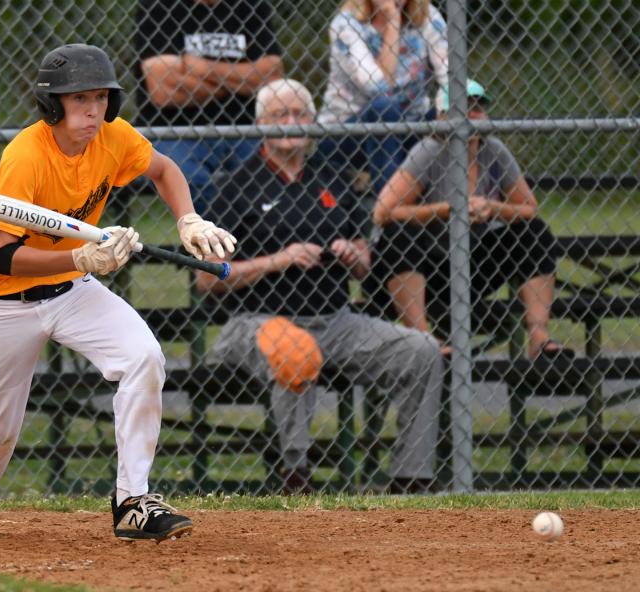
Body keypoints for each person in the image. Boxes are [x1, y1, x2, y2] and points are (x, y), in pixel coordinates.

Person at [0, 44, 237, 543]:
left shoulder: (113, 138)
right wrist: (79, 257)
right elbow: (1, 256)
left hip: (71, 292)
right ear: (52, 105)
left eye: (101, 98)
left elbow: (166, 170)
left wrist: (187, 218)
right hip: (5, 303)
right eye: (78, 99)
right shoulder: (25, 157)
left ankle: (133, 501)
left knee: (143, 356)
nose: (92, 111)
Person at [196, 78, 444, 495]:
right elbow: (206, 277)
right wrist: (279, 259)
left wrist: (354, 255)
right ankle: (296, 477)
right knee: (296, 352)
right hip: (256, 323)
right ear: (260, 125)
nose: (291, 122)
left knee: (421, 351)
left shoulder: (332, 180)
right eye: (280, 115)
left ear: (312, 121)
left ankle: (409, 480)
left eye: (299, 114)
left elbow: (367, 265)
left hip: (335, 321)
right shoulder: (236, 186)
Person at [372, 79, 573, 360]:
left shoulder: (493, 150)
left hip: (471, 266)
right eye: (464, 107)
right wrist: (448, 209)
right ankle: (426, 342)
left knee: (534, 231)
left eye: (479, 106)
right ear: (442, 116)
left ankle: (539, 337)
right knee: (400, 234)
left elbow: (529, 208)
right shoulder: (429, 151)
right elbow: (383, 212)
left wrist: (493, 208)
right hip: (425, 269)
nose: (474, 113)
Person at [134, 0, 284, 213]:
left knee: (266, 176)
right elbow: (164, 90)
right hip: (175, 131)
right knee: (192, 179)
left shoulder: (251, 5)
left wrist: (201, 68)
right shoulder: (158, 6)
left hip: (244, 129)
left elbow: (273, 76)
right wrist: (240, 80)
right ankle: (214, 240)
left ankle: (247, 241)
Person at [317, 0, 448, 195]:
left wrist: (445, 109)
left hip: (410, 128)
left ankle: (465, 208)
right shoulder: (346, 24)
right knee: (384, 108)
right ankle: (392, 214)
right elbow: (379, 87)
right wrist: (393, 22)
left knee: (459, 108)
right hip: (345, 135)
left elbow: (452, 78)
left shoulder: (427, 17)